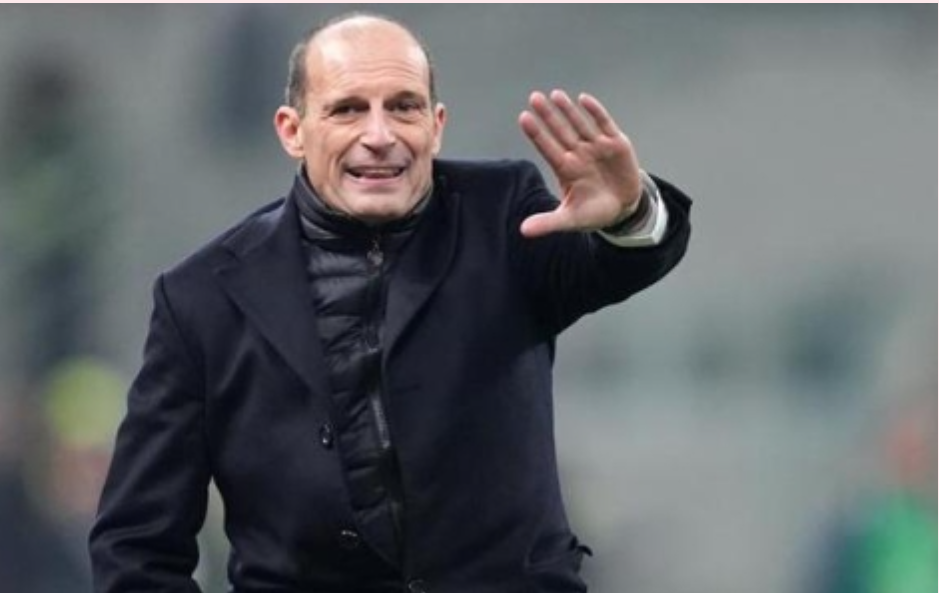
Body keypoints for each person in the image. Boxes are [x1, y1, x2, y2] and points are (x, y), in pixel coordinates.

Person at [89, 12, 691, 593]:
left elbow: (611, 266)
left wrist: (631, 213)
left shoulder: (502, 214)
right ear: (292, 131)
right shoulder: (202, 297)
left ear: (437, 125)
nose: (379, 136)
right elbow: (137, 544)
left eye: (403, 107)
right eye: (348, 109)